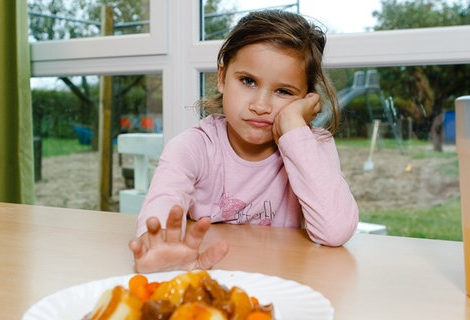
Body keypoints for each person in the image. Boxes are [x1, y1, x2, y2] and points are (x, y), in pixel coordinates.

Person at [128, 10, 359, 273]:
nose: (260, 105)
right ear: (221, 77)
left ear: (307, 99)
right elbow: (162, 208)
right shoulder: (193, 147)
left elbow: (336, 230)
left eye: (283, 91)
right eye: (248, 81)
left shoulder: (310, 146)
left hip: (284, 285)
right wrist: (157, 248)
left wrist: (294, 126)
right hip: (210, 277)